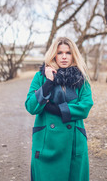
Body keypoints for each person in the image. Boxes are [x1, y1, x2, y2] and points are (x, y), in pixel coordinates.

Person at [25, 37, 93, 181]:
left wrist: (55, 109)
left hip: (73, 141)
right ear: (53, 55)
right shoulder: (40, 77)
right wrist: (48, 83)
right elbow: (31, 106)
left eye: (68, 53)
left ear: (73, 55)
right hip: (46, 142)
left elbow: (85, 106)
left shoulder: (81, 78)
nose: (64, 56)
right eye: (59, 52)